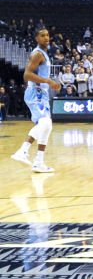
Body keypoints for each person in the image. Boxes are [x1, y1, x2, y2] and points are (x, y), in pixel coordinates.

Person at [11, 27, 60, 173]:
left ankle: (38, 162)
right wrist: (48, 81)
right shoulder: (38, 54)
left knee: (47, 126)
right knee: (45, 123)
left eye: (47, 35)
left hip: (41, 93)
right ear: (36, 38)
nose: (46, 38)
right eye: (42, 35)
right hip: (36, 92)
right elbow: (26, 75)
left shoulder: (43, 53)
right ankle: (23, 151)